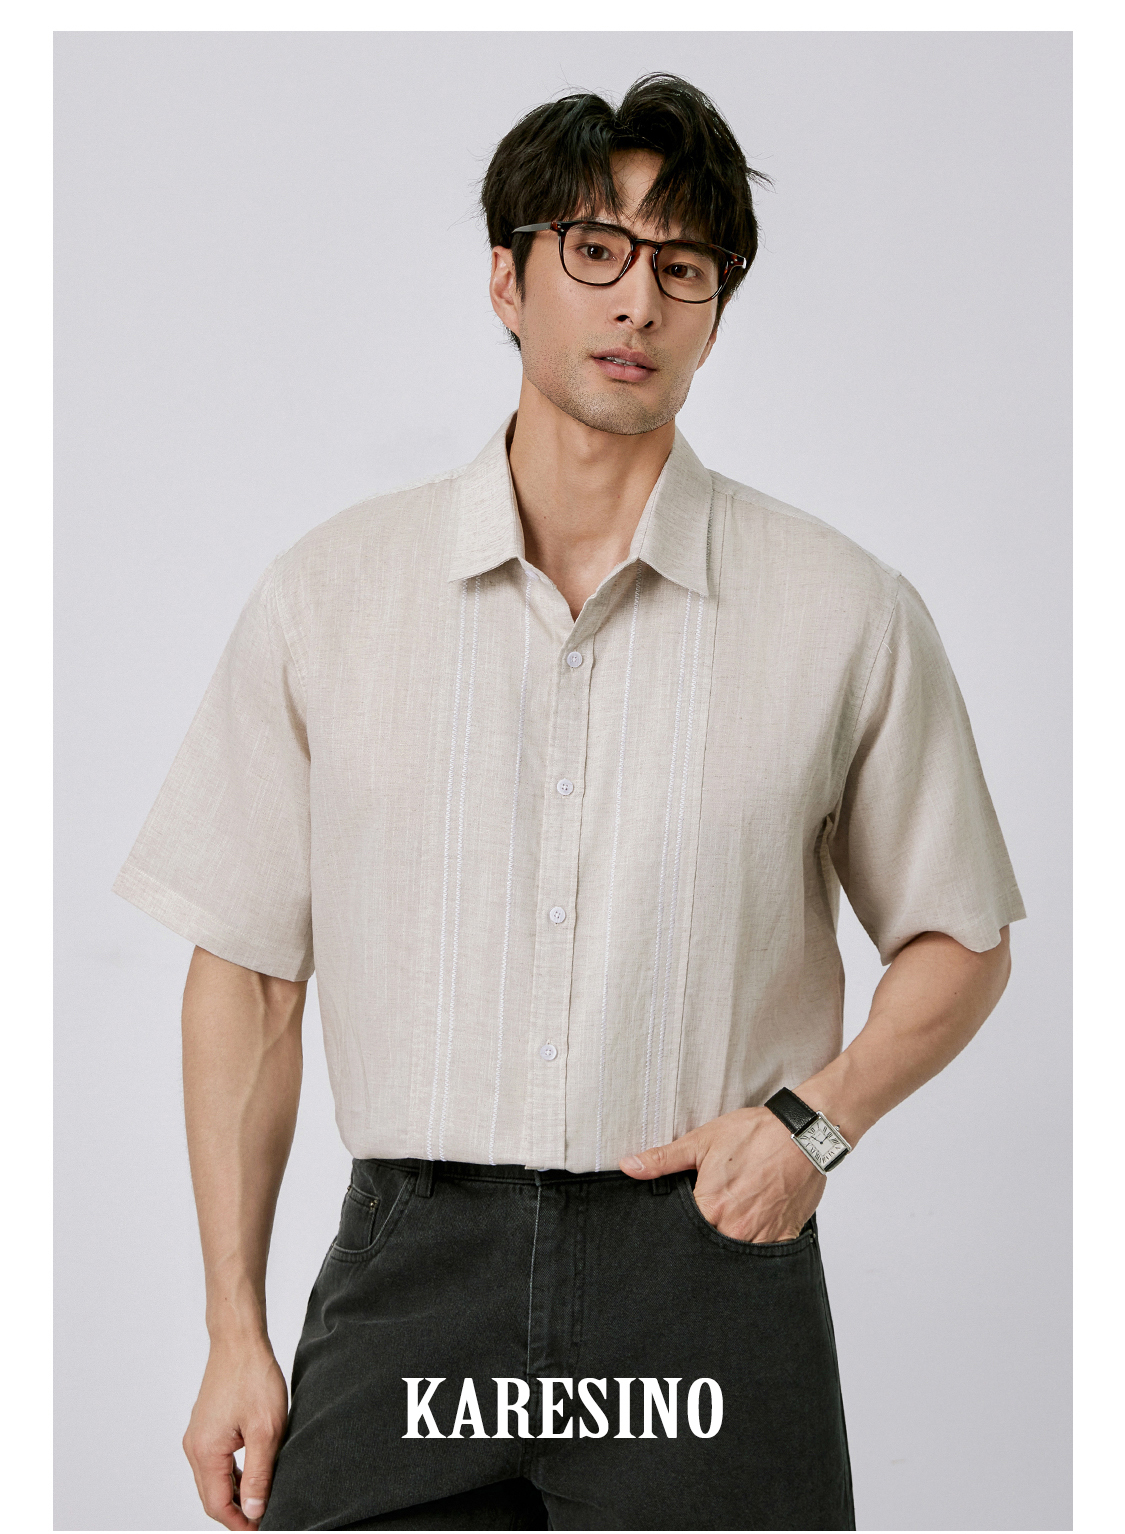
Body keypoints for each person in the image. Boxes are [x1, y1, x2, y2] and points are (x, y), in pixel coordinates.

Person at [114, 74, 1025, 1532]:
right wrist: (234, 1325)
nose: (637, 302)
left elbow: (959, 933)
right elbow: (250, 974)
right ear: (506, 279)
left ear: (715, 312)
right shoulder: (331, 598)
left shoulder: (843, 610)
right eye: (595, 250)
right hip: (416, 1265)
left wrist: (816, 1125)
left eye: (684, 267)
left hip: (701, 1268)